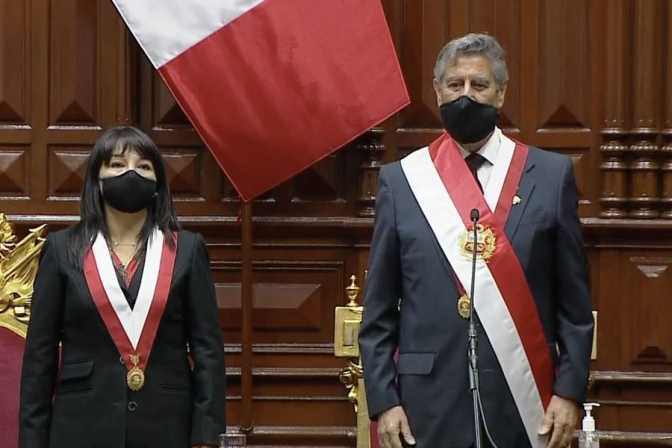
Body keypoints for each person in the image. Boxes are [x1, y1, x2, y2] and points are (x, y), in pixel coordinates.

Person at [359, 33, 594, 448]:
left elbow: (574, 307)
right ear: (437, 91)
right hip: (424, 407)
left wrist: (569, 392)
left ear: (500, 93)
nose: (465, 96)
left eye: (479, 85)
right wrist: (383, 401)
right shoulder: (401, 181)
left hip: (524, 402)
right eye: (455, 85)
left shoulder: (550, 176)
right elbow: (378, 311)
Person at [19, 126, 226, 448]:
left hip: (168, 424)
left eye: (143, 166)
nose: (131, 173)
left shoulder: (186, 249)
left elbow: (208, 351)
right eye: (117, 164)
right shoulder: (62, 249)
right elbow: (39, 357)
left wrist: (208, 434)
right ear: (97, 181)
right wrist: (32, 440)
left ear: (157, 183)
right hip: (81, 426)